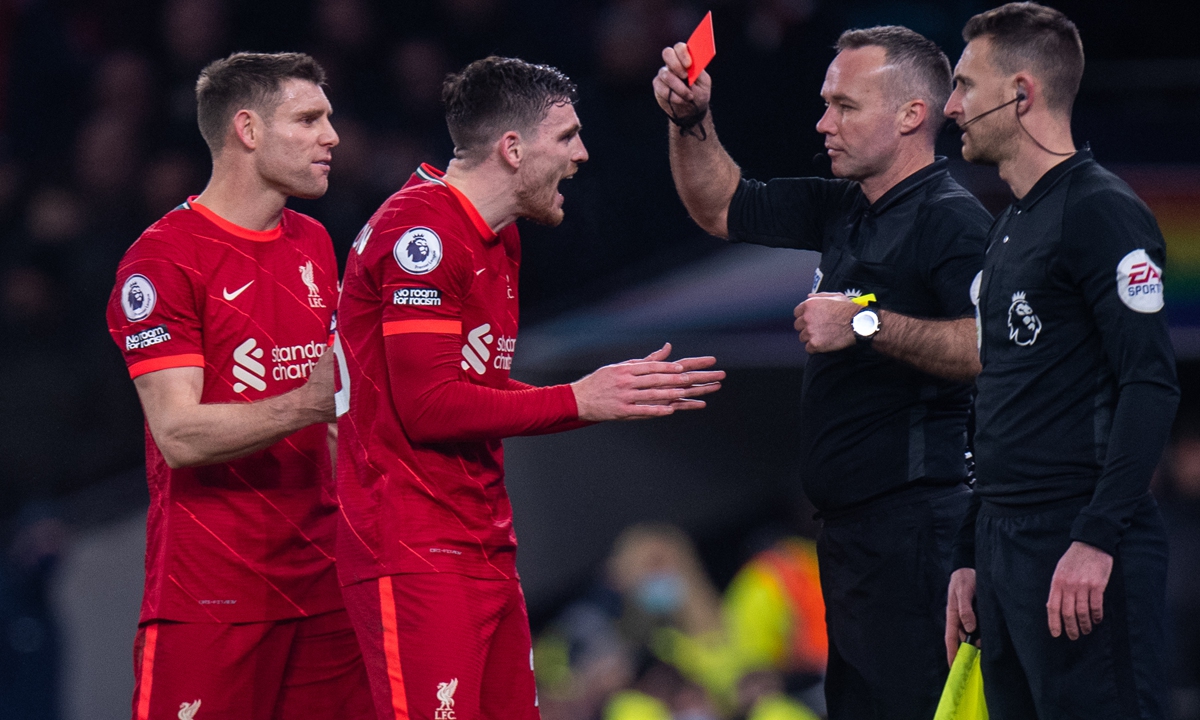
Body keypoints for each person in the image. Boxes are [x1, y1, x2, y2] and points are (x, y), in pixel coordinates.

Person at [333, 56, 724, 720]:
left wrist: (600, 395)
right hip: (411, 546)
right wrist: (580, 398)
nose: (582, 154)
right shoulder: (422, 234)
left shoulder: (498, 239)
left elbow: (476, 389)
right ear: (512, 149)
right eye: (567, 136)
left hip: (478, 539)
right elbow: (428, 406)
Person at [653, 25, 992, 720]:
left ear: (910, 115)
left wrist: (864, 324)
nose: (823, 122)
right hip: (848, 536)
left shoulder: (952, 220)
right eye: (826, 103)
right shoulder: (844, 206)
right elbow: (720, 205)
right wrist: (691, 121)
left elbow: (989, 347)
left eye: (844, 106)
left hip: (918, 531)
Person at [105, 52, 372, 720]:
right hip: (214, 598)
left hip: (325, 588)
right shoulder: (161, 261)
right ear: (247, 130)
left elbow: (336, 417)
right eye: (308, 119)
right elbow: (178, 434)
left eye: (329, 118)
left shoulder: (314, 242)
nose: (332, 136)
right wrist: (309, 402)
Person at [942, 4, 1180, 718]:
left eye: (965, 86)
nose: (951, 107)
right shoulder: (1011, 223)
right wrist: (970, 551)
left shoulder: (1103, 211)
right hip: (1005, 548)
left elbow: (1150, 382)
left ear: (1021, 93)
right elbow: (997, 397)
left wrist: (1095, 538)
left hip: (1077, 546)